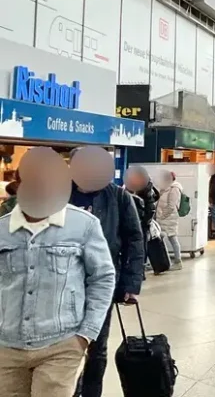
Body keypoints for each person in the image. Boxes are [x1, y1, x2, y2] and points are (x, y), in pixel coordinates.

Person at [0, 148, 116, 397]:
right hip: (6, 346)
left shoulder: (83, 224)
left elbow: (103, 277)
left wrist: (86, 334)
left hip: (61, 344)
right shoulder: (2, 229)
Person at [70, 147, 144, 397]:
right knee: (63, 346)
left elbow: (134, 239)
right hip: (62, 283)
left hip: (101, 284)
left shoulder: (118, 198)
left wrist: (131, 284)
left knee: (96, 346)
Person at [155, 171, 184, 271]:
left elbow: (172, 205)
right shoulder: (165, 188)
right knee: (161, 240)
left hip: (169, 218)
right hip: (162, 218)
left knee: (171, 238)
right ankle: (160, 262)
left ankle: (177, 261)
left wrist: (162, 216)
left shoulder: (174, 189)